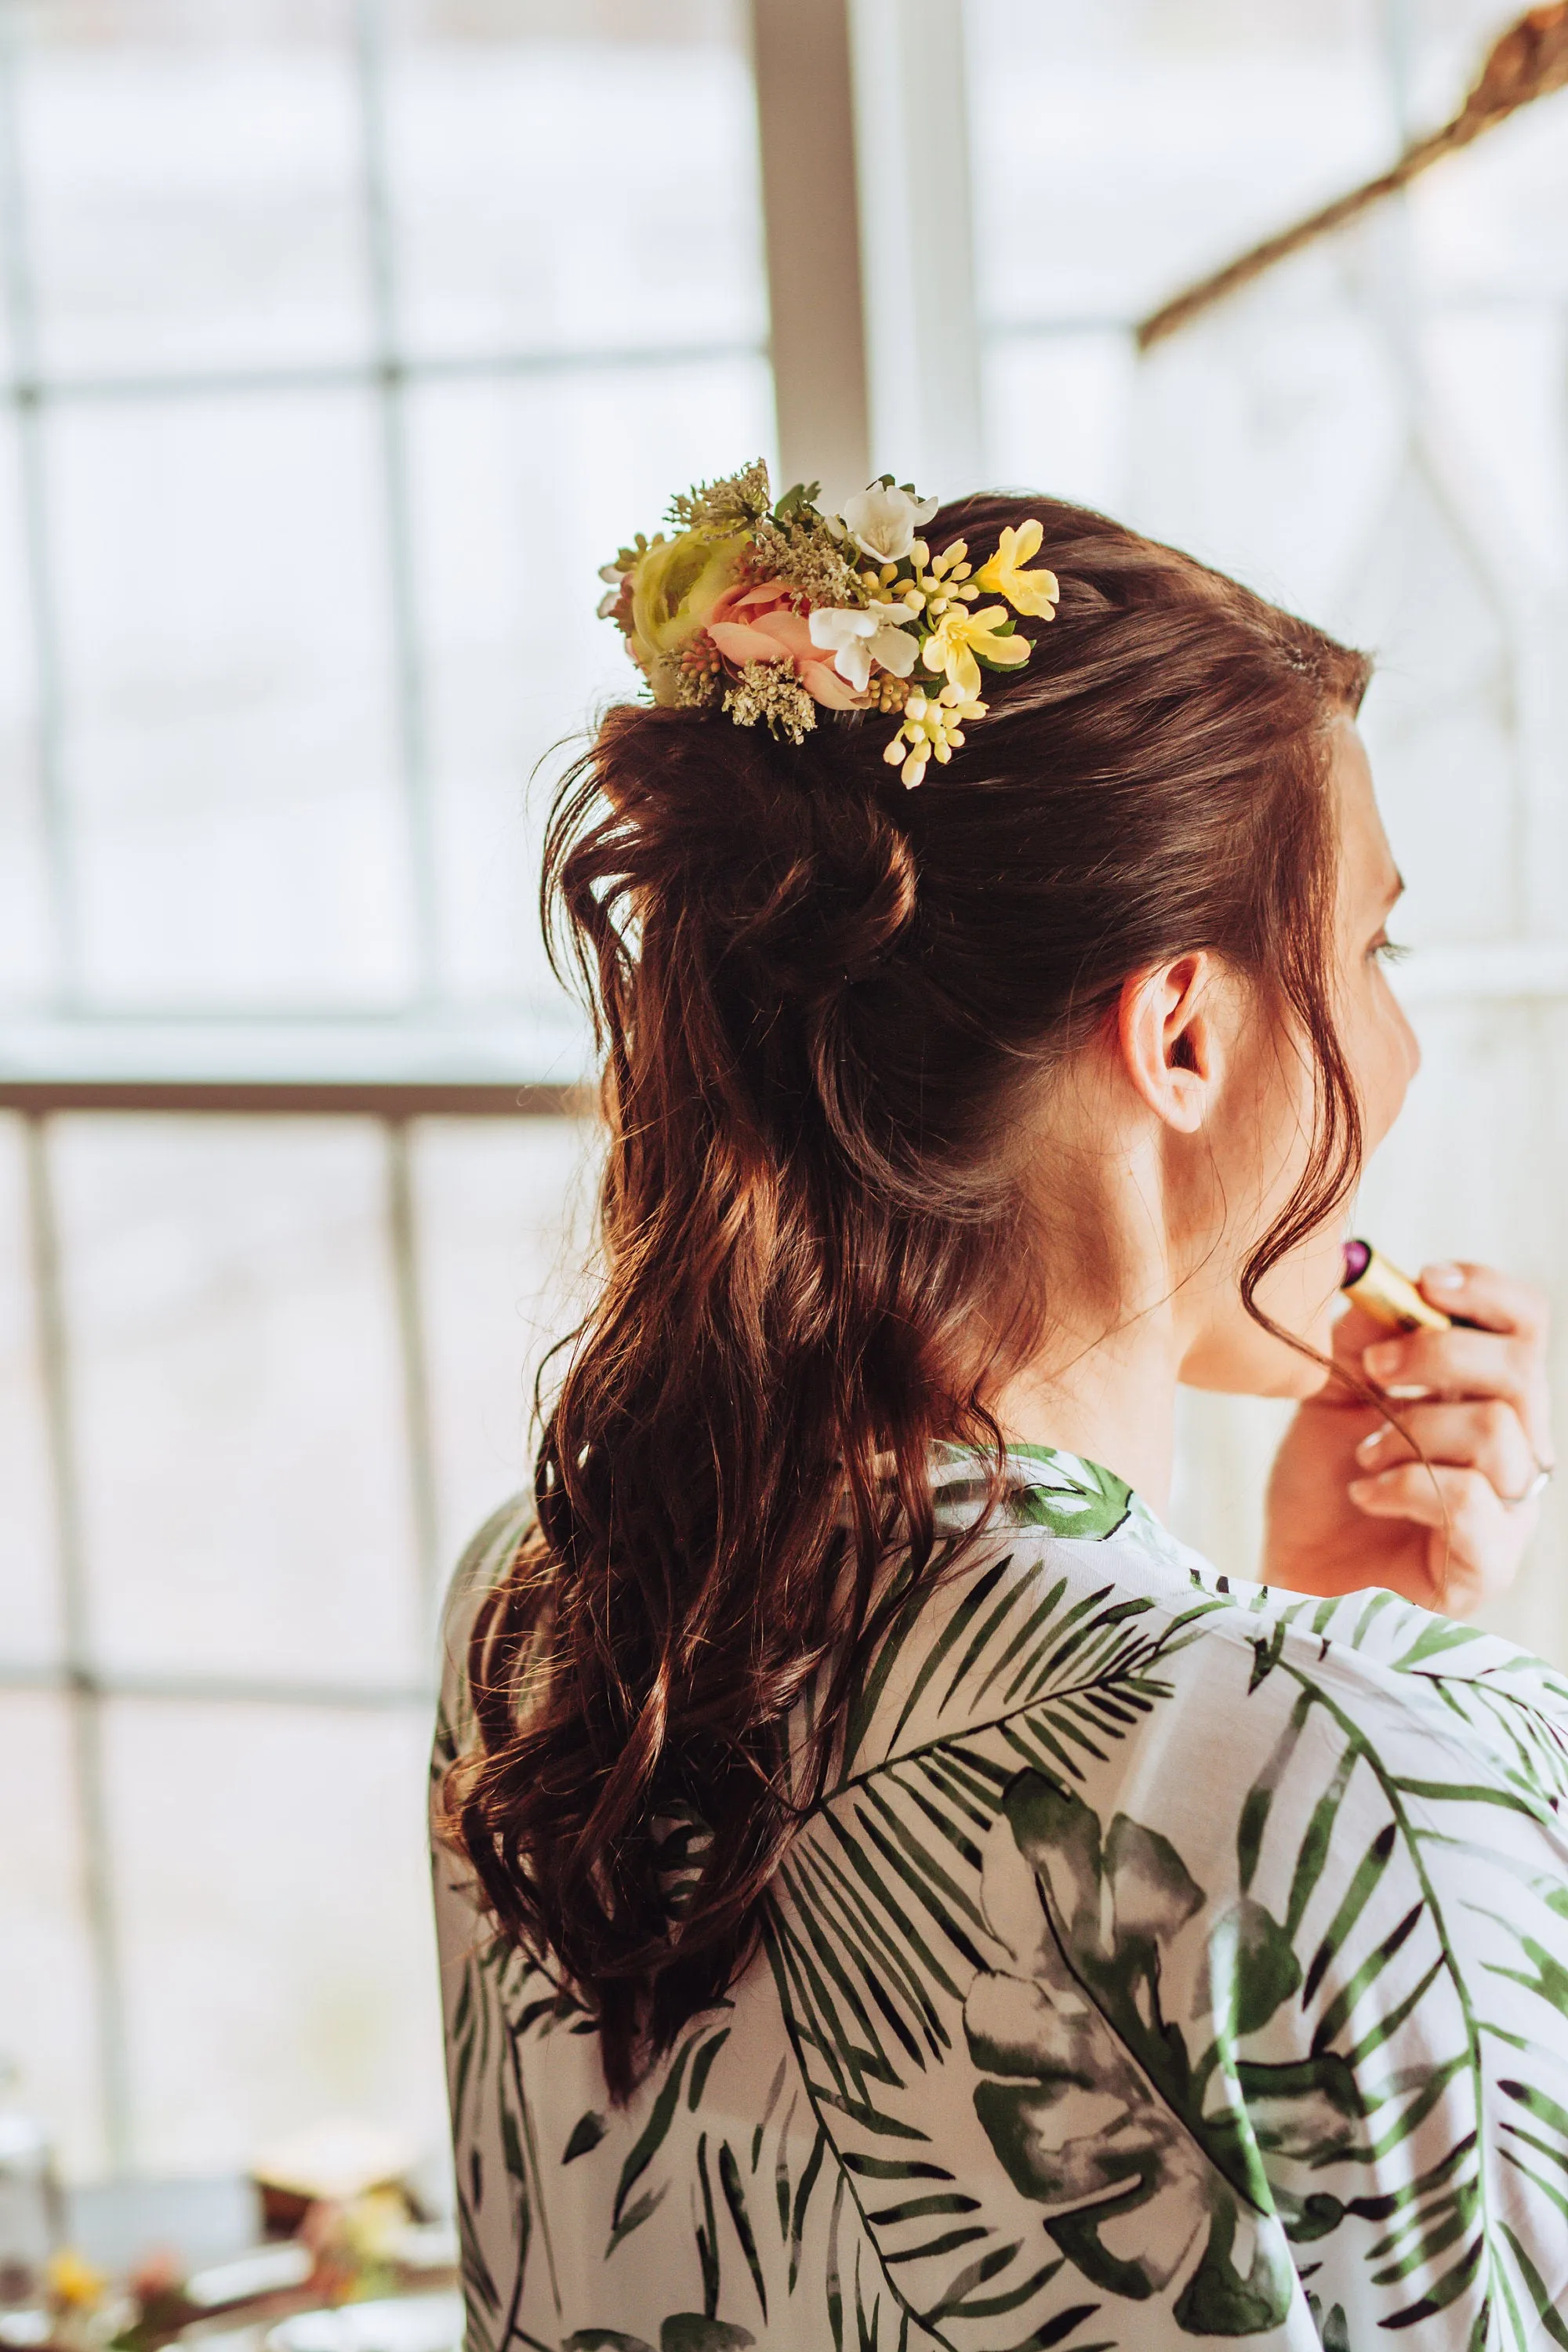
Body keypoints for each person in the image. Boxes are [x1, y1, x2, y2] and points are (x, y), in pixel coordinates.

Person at [431, 472, 1563, 2351]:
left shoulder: (540, 1619)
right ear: (1183, 1030)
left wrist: (1321, 1636)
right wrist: (1349, 1713)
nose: (1398, 1048)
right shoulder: (1362, 1765)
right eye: (1374, 952)